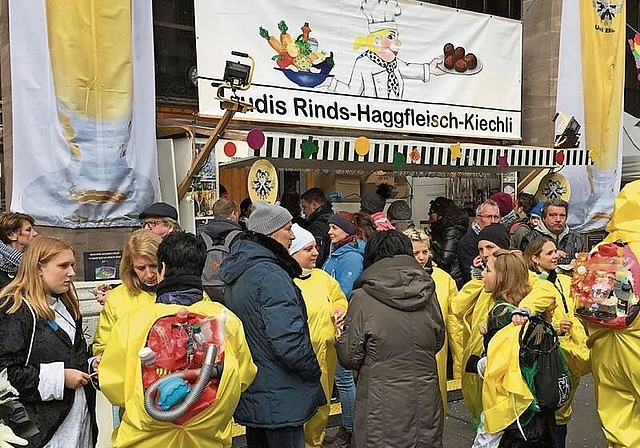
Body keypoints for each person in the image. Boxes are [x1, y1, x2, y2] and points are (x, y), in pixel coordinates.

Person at [99, 231, 256, 447]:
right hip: (207, 438)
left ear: (162, 268)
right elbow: (244, 377)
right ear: (201, 269)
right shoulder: (224, 319)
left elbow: (113, 387)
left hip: (145, 440)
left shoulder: (133, 322)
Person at [219, 201, 325, 448]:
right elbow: (288, 338)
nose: (292, 235)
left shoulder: (243, 269)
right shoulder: (271, 274)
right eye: (287, 228)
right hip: (280, 391)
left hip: (256, 385)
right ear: (270, 233)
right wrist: (312, 369)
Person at [337, 230, 445, 448]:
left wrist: (340, 336)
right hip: (425, 398)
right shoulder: (428, 291)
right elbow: (438, 340)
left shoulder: (363, 297)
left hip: (379, 401)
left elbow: (349, 356)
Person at [0, 236, 97, 448]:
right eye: (63, 266)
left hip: (79, 420)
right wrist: (60, 377)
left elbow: (73, 356)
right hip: (40, 432)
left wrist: (90, 364)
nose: (71, 273)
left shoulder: (67, 305)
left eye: (72, 265)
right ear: (38, 268)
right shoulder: (15, 308)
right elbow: (7, 375)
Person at [468, 250, 558, 448]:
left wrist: (475, 364)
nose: (483, 274)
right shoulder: (529, 309)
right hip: (537, 407)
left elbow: (500, 368)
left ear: (501, 278)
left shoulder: (502, 315)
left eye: (488, 270)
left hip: (509, 408)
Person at [523, 236, 589, 448]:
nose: (556, 256)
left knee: (563, 406)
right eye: (549, 253)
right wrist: (556, 329)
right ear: (534, 258)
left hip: (572, 352)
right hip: (549, 354)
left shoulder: (564, 280)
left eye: (555, 251)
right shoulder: (530, 284)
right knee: (550, 408)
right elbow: (529, 322)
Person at [289, 224, 348, 448]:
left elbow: (340, 299)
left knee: (322, 406)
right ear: (292, 253)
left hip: (326, 355)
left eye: (315, 247)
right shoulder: (286, 281)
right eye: (308, 249)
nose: (315, 253)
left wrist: (341, 309)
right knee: (301, 407)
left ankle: (315, 441)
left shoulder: (323, 278)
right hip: (301, 358)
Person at [321, 212, 365, 448]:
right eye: (329, 227)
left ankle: (349, 430)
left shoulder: (350, 258)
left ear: (347, 230)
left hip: (342, 325)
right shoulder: (337, 252)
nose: (330, 232)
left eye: (335, 228)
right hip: (337, 323)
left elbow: (344, 293)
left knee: (344, 379)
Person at [404, 228, 462, 404]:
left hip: (436, 356)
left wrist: (459, 364)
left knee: (435, 405)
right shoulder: (394, 280)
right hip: (404, 357)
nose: (421, 257)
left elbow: (454, 323)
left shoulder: (444, 279)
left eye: (425, 251)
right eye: (416, 253)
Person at [92, 229, 162, 357]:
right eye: (141, 268)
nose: (150, 274)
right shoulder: (116, 299)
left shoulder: (185, 291)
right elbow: (103, 347)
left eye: (154, 265)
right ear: (130, 268)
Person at [201, 198, 244, 302]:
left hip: (205, 293)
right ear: (233, 214)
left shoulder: (201, 237)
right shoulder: (239, 237)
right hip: (231, 294)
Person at [520, 199, 583, 267]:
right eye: (553, 215)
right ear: (544, 218)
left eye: (562, 216)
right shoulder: (531, 239)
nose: (558, 220)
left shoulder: (576, 238)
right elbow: (526, 267)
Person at [428, 197, 469, 289]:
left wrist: (429, 249)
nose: (429, 216)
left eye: (431, 213)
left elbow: (445, 260)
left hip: (452, 277)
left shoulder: (452, 231)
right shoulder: (445, 229)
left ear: (440, 214)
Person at [457, 199, 501, 284]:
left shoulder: (500, 236)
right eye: (488, 217)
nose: (493, 221)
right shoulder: (468, 242)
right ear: (477, 219)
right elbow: (467, 275)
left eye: (496, 217)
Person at [0, 212, 38, 289]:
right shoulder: (3, 264)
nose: (35, 233)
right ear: (11, 235)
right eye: (28, 230)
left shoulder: (33, 259)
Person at [300, 187, 333, 268]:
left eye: (304, 207)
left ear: (314, 205)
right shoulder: (332, 219)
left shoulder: (316, 227)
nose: (303, 211)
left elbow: (315, 258)